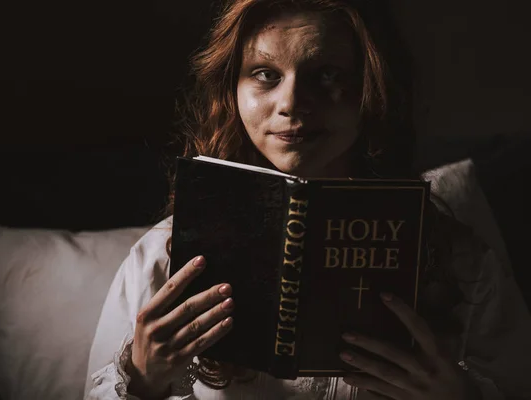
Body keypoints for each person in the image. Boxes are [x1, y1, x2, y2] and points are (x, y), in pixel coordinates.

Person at [85, 0, 531, 398]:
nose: (293, 102)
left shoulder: (461, 264)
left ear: (371, 88)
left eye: (328, 75)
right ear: (232, 90)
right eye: (265, 75)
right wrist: (141, 379)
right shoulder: (163, 259)